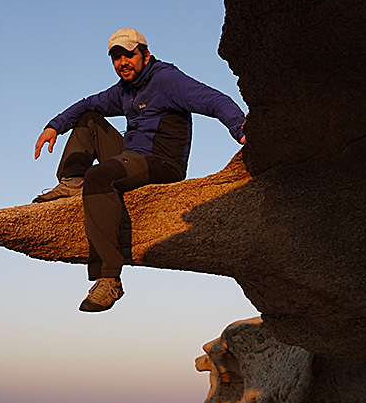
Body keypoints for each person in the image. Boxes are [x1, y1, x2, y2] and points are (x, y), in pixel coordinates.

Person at [33, 28, 246, 312]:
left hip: (161, 163)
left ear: (145, 54)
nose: (122, 62)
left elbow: (213, 99)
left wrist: (240, 129)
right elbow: (87, 103)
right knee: (90, 120)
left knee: (99, 177)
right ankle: (72, 181)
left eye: (129, 55)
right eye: (116, 58)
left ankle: (108, 278)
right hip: (132, 156)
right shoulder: (125, 91)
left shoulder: (167, 80)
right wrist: (54, 126)